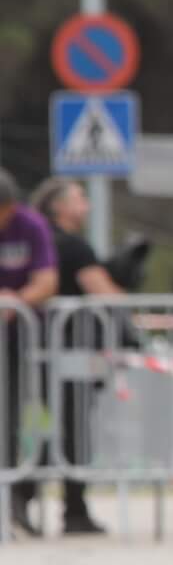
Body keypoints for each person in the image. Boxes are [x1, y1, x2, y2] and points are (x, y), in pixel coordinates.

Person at [30, 179, 113, 534]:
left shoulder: (37, 241)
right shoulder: (74, 246)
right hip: (73, 352)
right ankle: (72, 509)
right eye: (80, 199)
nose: (87, 205)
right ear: (58, 206)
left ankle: (24, 495)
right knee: (74, 431)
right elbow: (106, 294)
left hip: (32, 350)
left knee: (43, 427)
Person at [0, 171, 62, 535]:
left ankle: (20, 498)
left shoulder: (31, 226)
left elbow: (47, 281)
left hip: (23, 338)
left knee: (23, 417)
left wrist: (15, 301)